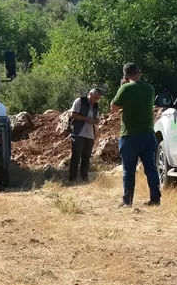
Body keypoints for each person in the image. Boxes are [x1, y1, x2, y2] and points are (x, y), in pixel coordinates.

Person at [109, 63, 161, 207]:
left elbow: (113, 108)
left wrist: (121, 86)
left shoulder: (125, 88)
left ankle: (128, 201)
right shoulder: (150, 88)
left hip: (130, 135)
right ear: (139, 72)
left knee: (128, 170)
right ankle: (155, 199)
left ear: (125, 76)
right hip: (148, 134)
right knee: (151, 168)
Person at [67, 87, 103, 182]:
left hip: (90, 134)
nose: (96, 100)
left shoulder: (96, 105)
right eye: (95, 97)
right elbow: (72, 114)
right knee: (76, 155)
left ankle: (84, 178)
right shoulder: (80, 101)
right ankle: (72, 179)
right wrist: (87, 119)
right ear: (90, 94)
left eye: (98, 98)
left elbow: (97, 118)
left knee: (86, 157)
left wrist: (96, 121)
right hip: (78, 132)